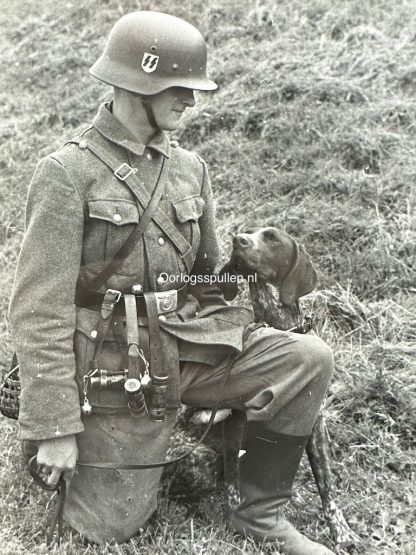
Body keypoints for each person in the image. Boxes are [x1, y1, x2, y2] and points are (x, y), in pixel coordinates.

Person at [9, 11, 335, 555]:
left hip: (183, 346)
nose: (191, 99)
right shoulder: (68, 173)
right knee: (109, 528)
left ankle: (261, 515)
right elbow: (38, 310)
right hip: (113, 368)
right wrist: (55, 425)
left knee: (308, 357)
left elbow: (207, 277)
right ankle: (70, 451)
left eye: (195, 87)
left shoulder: (190, 169)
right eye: (178, 87)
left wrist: (260, 295)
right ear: (135, 84)